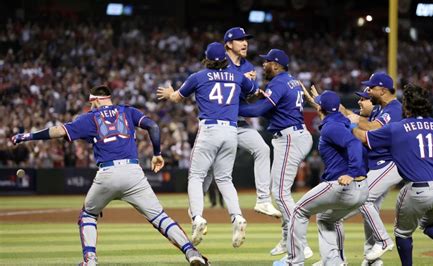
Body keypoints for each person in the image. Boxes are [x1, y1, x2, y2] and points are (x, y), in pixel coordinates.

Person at [10, 85, 208, 266]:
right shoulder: (128, 111)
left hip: (107, 173)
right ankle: (191, 252)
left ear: (95, 100)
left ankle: (90, 260)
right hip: (133, 173)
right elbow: (153, 127)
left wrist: (28, 136)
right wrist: (157, 154)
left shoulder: (90, 118)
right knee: (160, 217)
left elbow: (57, 131)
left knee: (88, 214)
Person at [352, 83, 433, 266]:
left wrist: (350, 124)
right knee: (430, 223)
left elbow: (363, 138)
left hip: (418, 190)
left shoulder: (397, 127)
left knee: (402, 233)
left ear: (406, 106)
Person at [156, 42, 256, 248]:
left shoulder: (198, 76)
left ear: (207, 58)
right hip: (230, 131)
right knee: (225, 179)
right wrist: (248, 79)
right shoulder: (237, 76)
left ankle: (197, 218)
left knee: (196, 176)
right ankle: (237, 217)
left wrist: (169, 93)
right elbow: (253, 91)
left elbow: (176, 98)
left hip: (209, 129)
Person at [274, 91, 369, 266]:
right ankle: (334, 262)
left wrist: (351, 172)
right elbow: (333, 116)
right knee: (326, 218)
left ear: (321, 108)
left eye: (319, 104)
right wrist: (317, 102)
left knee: (298, 211)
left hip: (341, 185)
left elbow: (354, 143)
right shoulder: (343, 121)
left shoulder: (332, 127)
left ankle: (293, 262)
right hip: (362, 189)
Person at [239, 48, 314, 259]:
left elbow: (258, 111)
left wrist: (232, 107)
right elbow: (275, 109)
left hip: (290, 137)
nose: (263, 65)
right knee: (279, 191)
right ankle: (286, 238)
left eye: (267, 62)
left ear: (276, 64)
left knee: (280, 193)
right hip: (294, 135)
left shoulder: (279, 83)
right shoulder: (291, 81)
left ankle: (300, 243)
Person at [201, 27, 281, 218]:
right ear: (228, 43)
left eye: (246, 39)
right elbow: (212, 90)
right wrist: (240, 81)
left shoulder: (248, 67)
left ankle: (263, 200)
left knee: (262, 149)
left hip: (238, 122)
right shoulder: (218, 62)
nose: (245, 43)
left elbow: (247, 97)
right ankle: (196, 210)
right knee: (207, 171)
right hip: (217, 122)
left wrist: (254, 91)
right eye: (240, 39)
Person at [341, 72, 403, 264]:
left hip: (391, 162)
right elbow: (362, 122)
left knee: (364, 199)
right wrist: (337, 109)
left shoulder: (394, 109)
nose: (368, 90)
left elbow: (371, 128)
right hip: (378, 165)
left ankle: (383, 241)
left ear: (383, 90)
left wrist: (347, 117)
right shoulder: (381, 109)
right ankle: (372, 259)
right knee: (370, 208)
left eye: (371, 87)